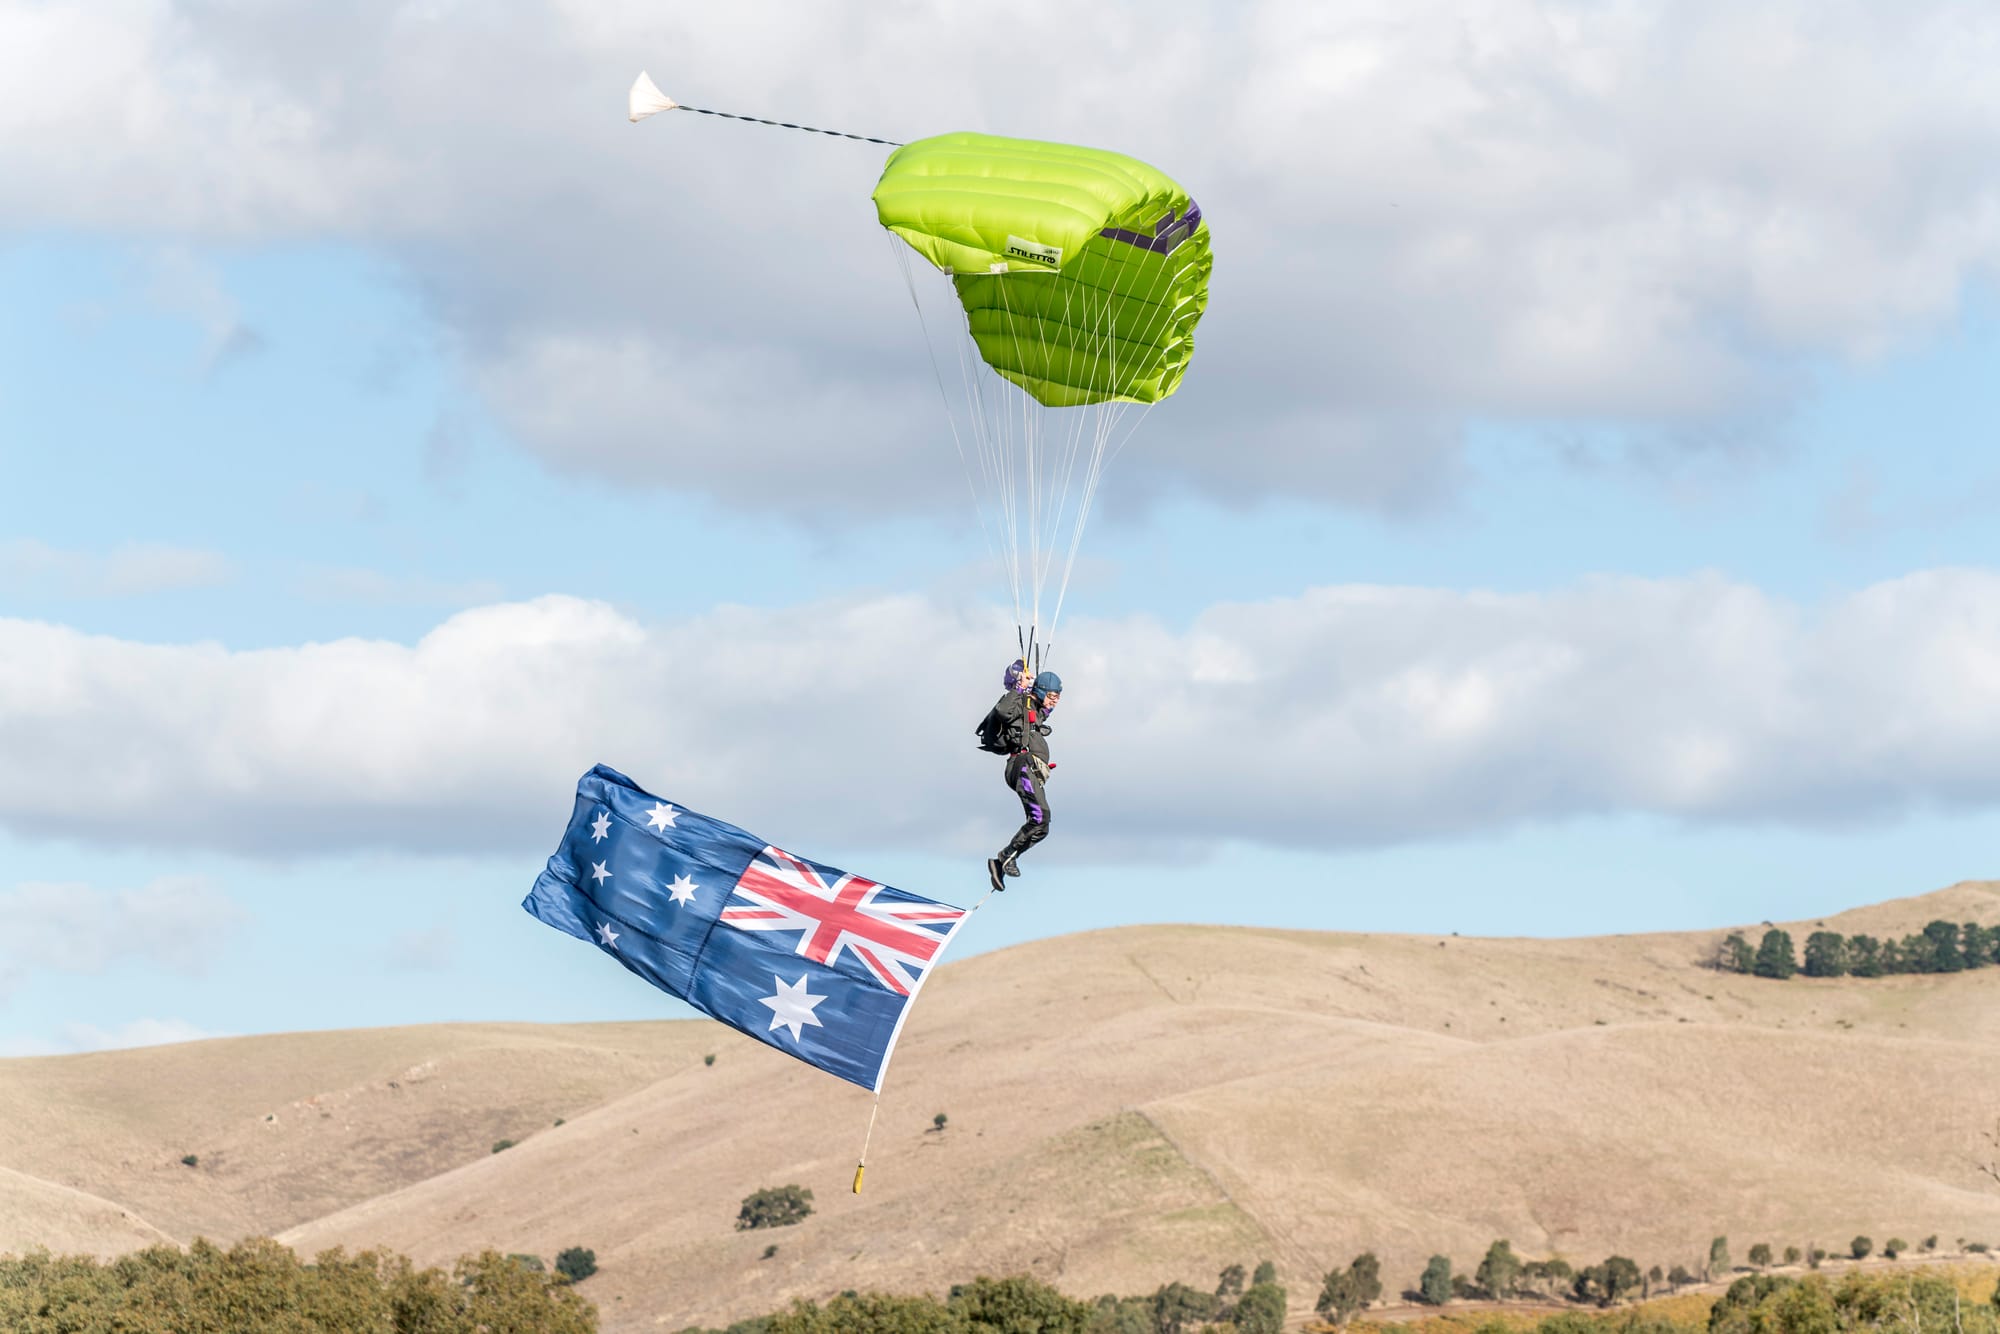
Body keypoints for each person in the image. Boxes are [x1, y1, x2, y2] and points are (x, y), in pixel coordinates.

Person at [985, 669, 1062, 892]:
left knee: (1042, 826)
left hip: (1028, 771)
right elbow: (1002, 711)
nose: (1055, 701)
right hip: (1022, 767)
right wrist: (1020, 685)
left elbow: (1042, 708)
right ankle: (1005, 856)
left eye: (1058, 697)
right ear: (1042, 691)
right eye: (1052, 696)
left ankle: (1002, 862)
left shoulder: (1037, 711)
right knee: (1041, 816)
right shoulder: (1022, 702)